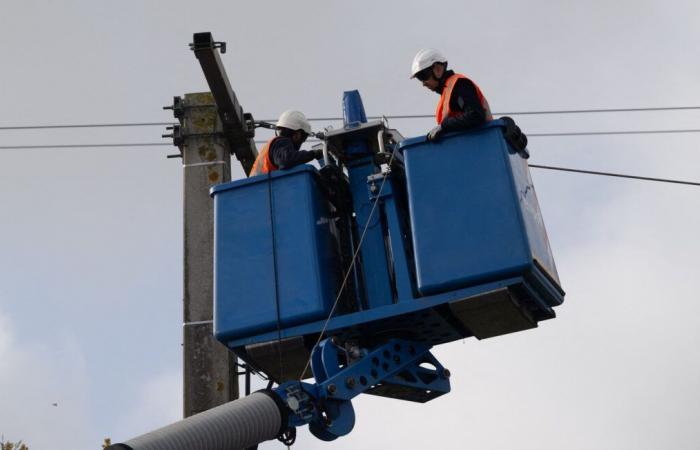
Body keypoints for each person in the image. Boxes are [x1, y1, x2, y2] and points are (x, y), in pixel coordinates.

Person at [410, 48, 493, 141]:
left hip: (483, 142)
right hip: (468, 145)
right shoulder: (447, 92)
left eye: (423, 76)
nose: (423, 83)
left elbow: (475, 115)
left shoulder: (459, 85)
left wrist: (444, 126)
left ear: (438, 69)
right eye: (419, 79)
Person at [249, 110, 323, 176]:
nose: (302, 141)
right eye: (303, 137)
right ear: (297, 134)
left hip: (260, 187)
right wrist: (313, 154)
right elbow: (286, 161)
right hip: (265, 187)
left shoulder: (272, 145)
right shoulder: (281, 142)